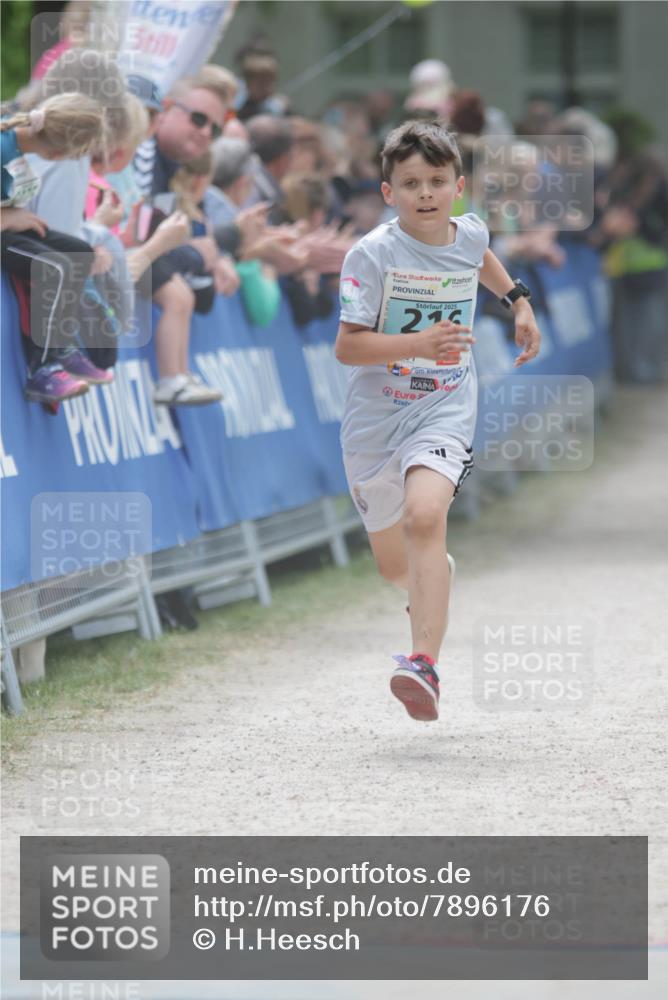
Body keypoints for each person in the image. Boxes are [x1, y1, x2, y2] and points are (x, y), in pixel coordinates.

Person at [335, 121, 541, 722]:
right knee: (394, 567)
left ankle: (421, 662)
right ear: (387, 192)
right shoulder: (371, 254)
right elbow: (348, 348)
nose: (424, 193)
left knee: (426, 515)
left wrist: (519, 303)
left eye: (436, 181)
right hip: (376, 421)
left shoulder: (469, 231)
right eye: (410, 183)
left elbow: (482, 258)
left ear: (458, 187)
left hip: (444, 407)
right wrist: (418, 343)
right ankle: (431, 581)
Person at [1, 92, 106, 403]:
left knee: (79, 252)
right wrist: (8, 217)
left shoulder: (16, 142)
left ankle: (60, 344)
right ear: (61, 153)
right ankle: (43, 369)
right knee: (53, 268)